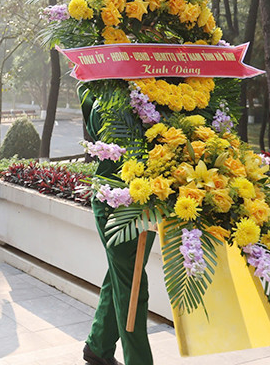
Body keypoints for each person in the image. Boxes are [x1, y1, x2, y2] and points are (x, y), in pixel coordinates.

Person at [80, 86, 154, 365]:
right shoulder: (107, 100)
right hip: (117, 204)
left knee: (120, 277)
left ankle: (98, 346)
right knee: (133, 286)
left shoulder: (152, 93)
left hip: (147, 200)